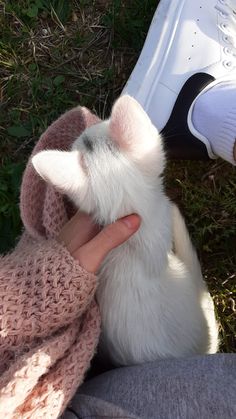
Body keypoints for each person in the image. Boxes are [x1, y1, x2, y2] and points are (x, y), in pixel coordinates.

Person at [0, 2, 235, 419]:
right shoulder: (155, 217)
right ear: (147, 146)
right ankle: (199, 112)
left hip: (139, 369)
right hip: (185, 348)